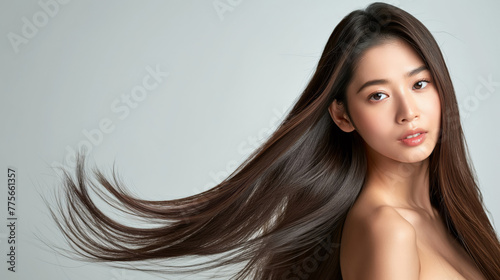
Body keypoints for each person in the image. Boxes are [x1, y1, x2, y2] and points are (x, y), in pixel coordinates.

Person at [43, 2, 500, 279]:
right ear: (343, 115)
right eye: (377, 95)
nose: (408, 111)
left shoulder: (449, 213)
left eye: (420, 84)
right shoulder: (388, 229)